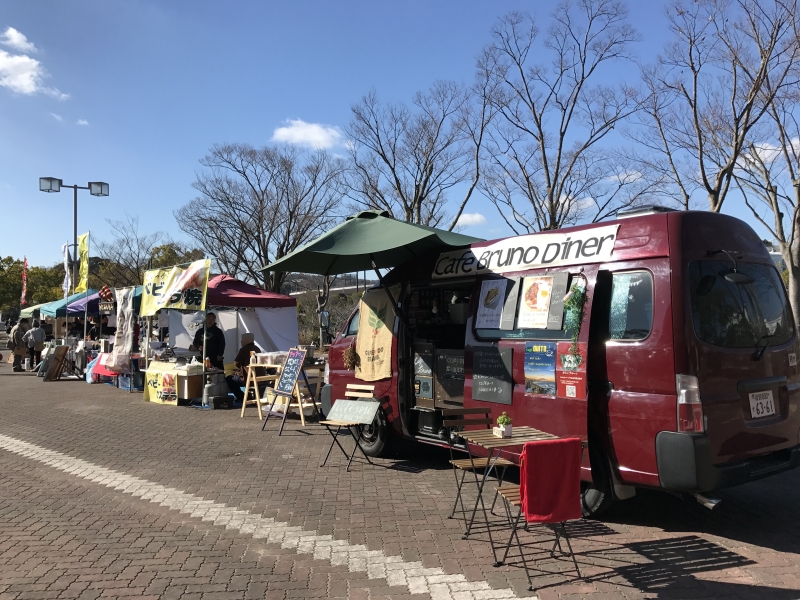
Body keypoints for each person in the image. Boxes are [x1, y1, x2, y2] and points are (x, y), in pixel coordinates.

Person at [225, 332, 260, 402]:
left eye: (242, 340)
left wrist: (241, 367)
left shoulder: (244, 349)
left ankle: (242, 397)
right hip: (258, 376)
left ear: (245, 340)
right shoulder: (257, 349)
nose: (241, 342)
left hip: (248, 377)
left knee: (229, 379)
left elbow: (236, 362)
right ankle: (247, 396)